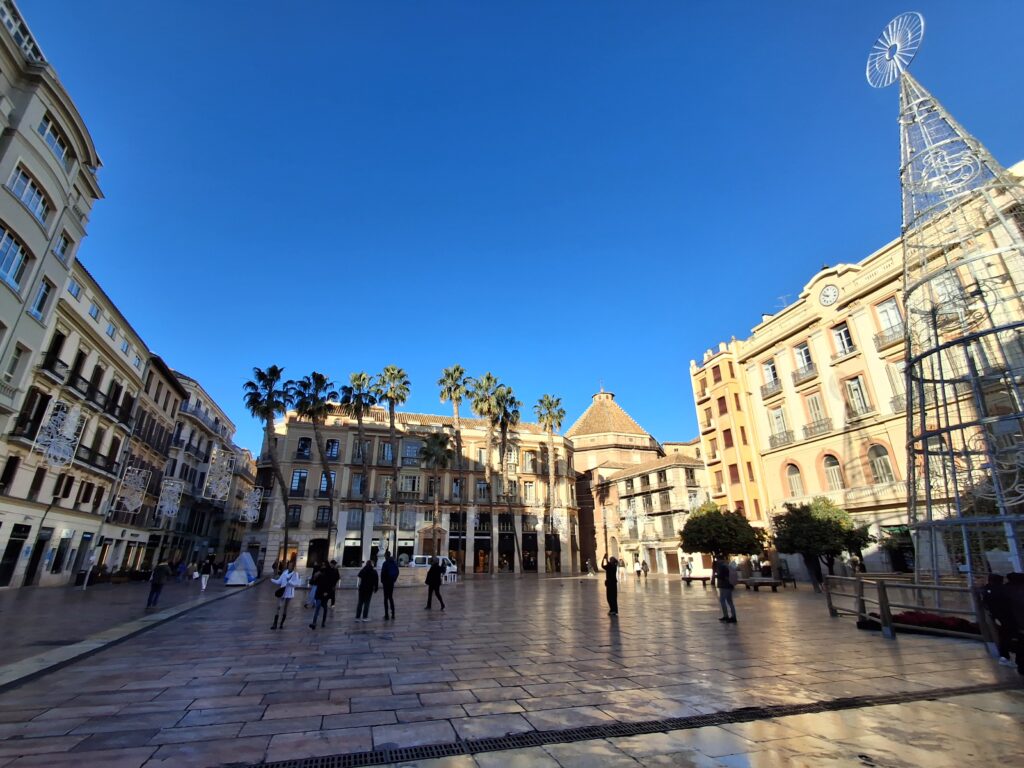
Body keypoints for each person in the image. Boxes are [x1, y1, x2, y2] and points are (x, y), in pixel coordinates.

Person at [310, 559, 340, 629]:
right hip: (319, 592)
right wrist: (315, 576)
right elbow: (314, 581)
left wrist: (328, 592)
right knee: (317, 607)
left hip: (325, 593)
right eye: (322, 565)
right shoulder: (320, 572)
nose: (323, 566)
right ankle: (314, 623)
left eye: (324, 565)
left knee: (325, 608)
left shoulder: (330, 572)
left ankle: (323, 622)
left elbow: (332, 582)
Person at [270, 563, 300, 630]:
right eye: (288, 565)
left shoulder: (295, 574)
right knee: (278, 607)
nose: (289, 566)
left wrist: (290, 582)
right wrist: (272, 580)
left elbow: (297, 584)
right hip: (282, 591)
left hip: (289, 593)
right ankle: (275, 624)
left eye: (290, 566)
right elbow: (279, 581)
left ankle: (281, 624)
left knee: (285, 608)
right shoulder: (285, 572)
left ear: (293, 567)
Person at [1004, 572, 1024, 675]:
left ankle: (1021, 665)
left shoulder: (1007, 590)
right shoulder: (1019, 591)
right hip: (1020, 623)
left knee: (1020, 645)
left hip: (1014, 623)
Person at [715, 556, 738, 623]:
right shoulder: (727, 566)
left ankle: (727, 616)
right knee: (729, 601)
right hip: (729, 586)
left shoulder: (722, 567)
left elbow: (722, 576)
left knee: (723, 601)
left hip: (724, 586)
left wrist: (717, 576)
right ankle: (732, 616)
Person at [381, 552, 399, 620]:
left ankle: (386, 615)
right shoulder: (394, 562)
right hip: (391, 582)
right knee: (391, 597)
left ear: (386, 556)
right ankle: (393, 614)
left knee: (385, 598)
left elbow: (382, 573)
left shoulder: (385, 563)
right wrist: (394, 580)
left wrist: (382, 581)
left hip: (386, 583)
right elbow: (397, 571)